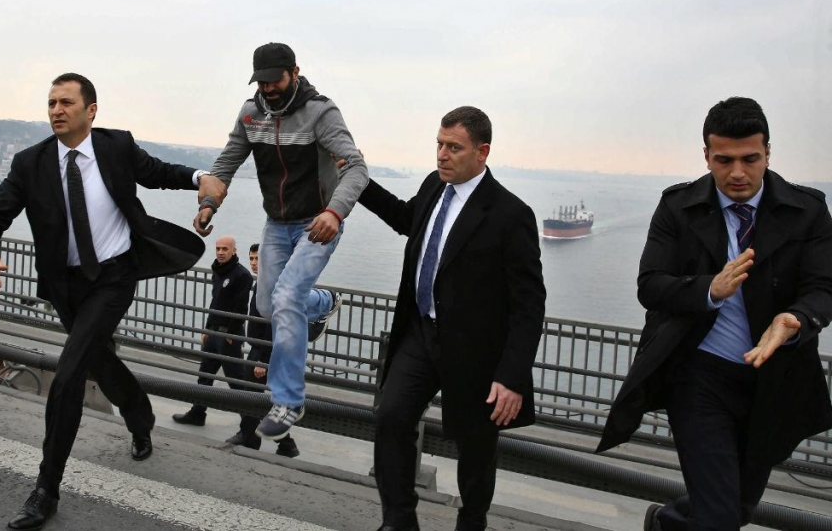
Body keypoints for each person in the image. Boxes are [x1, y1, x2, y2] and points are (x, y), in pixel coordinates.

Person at [0, 73, 225, 530]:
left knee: (68, 375)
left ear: (91, 111)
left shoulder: (115, 146)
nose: (56, 110)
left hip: (114, 275)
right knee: (98, 359)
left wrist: (199, 177)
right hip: (66, 286)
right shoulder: (30, 163)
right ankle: (140, 415)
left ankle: (45, 489)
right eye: (50, 102)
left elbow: (158, 173)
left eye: (66, 102)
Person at [598, 97, 832, 531]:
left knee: (737, 507)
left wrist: (795, 319)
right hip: (699, 377)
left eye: (750, 159)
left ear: (768, 152)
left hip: (772, 378)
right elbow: (650, 284)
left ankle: (668, 522)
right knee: (722, 516)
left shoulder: (808, 211)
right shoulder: (677, 207)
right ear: (706, 155)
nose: (738, 173)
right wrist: (709, 289)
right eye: (723, 160)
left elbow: (823, 287)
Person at [356, 106, 546, 531]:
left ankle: (471, 521)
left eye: (453, 147)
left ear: (482, 152)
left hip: (478, 350)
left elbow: (529, 304)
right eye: (439, 145)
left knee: (475, 447)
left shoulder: (510, 214)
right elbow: (407, 219)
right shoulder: (432, 186)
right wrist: (358, 182)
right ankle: (399, 520)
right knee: (391, 417)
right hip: (422, 331)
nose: (442, 155)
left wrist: (512, 376)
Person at [194, 42, 367, 441]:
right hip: (277, 223)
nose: (268, 88)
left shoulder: (321, 112)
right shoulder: (251, 114)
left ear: (294, 72)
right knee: (269, 305)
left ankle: (289, 399)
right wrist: (208, 204)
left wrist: (334, 212)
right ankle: (323, 304)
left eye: (276, 79)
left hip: (319, 221)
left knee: (288, 296)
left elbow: (356, 167)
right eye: (262, 81)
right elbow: (226, 163)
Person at [222, 243, 300, 457]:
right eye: (252, 259)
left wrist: (263, 361)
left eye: (258, 259)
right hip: (258, 348)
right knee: (252, 396)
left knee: (252, 396)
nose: (254, 263)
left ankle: (276, 441)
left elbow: (273, 325)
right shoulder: (264, 283)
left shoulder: (272, 286)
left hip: (264, 351)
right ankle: (260, 439)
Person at [171, 236, 254, 428]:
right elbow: (215, 303)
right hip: (213, 334)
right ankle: (197, 414)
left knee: (236, 382)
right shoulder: (217, 272)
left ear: (234, 251)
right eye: (218, 248)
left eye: (225, 249)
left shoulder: (242, 275)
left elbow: (242, 309)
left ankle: (250, 423)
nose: (220, 252)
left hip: (228, 336)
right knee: (205, 375)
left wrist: (230, 334)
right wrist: (207, 328)